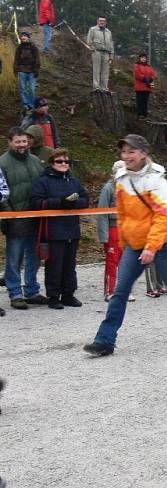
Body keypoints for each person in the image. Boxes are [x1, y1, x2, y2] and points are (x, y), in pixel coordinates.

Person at [83, 135, 167, 356]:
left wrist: (151, 247)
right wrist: (125, 242)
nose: (126, 156)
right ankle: (105, 340)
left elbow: (163, 218)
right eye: (124, 152)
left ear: (143, 153)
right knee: (120, 292)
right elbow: (123, 215)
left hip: (161, 244)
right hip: (134, 245)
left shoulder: (156, 181)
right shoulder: (121, 179)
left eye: (131, 152)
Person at [29, 149, 89, 309]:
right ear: (51, 163)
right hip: (53, 231)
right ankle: (54, 296)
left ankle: (68, 294)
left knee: (70, 265)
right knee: (54, 266)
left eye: (66, 161)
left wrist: (73, 203)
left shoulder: (74, 181)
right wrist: (59, 202)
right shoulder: (43, 182)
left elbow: (85, 199)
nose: (63, 164)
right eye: (59, 161)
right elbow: (35, 202)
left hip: (72, 229)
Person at [0, 127, 46, 310]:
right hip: (15, 217)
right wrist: (10, 215)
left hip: (36, 217)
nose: (21, 145)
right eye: (18, 142)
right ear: (10, 142)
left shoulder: (35, 161)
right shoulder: (2, 163)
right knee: (14, 258)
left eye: (24, 141)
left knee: (34, 257)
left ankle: (32, 290)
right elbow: (1, 194)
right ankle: (15, 293)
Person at [97, 160, 136, 302]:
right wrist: (104, 236)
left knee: (127, 261)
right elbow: (102, 213)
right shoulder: (108, 188)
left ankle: (126, 290)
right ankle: (110, 291)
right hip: (113, 229)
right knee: (112, 262)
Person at [13, 31, 40, 111]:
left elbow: (37, 59)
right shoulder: (19, 47)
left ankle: (31, 104)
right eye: (22, 36)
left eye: (25, 36)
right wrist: (15, 69)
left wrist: (36, 69)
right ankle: (25, 104)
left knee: (31, 89)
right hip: (22, 70)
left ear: (28, 37)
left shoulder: (33, 47)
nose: (23, 37)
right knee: (22, 88)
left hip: (32, 70)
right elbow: (16, 59)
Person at [86, 17, 114, 91]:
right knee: (96, 70)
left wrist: (111, 56)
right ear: (97, 21)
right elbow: (89, 40)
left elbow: (111, 44)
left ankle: (104, 88)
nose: (102, 22)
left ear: (106, 22)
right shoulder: (93, 29)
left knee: (105, 71)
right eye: (100, 21)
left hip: (106, 53)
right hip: (97, 52)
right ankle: (96, 87)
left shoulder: (109, 32)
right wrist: (93, 49)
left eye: (103, 21)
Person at [133, 53, 156, 119]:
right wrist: (144, 78)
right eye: (142, 57)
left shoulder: (149, 66)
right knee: (140, 101)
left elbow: (153, 74)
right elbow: (137, 74)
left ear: (146, 59)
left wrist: (151, 78)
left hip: (147, 87)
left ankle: (145, 114)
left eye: (144, 58)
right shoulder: (136, 65)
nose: (143, 59)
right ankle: (139, 114)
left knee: (145, 101)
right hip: (139, 87)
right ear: (139, 58)